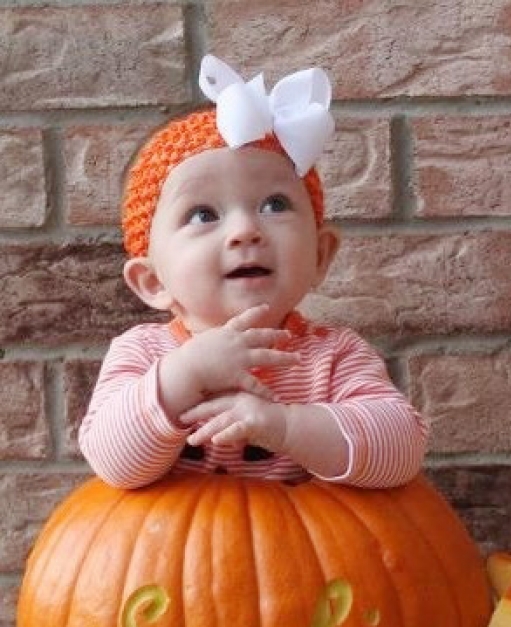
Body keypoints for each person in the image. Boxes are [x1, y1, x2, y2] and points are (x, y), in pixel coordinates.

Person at [79, 55, 428, 490]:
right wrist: (185, 375)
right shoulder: (144, 355)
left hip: (305, 553)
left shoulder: (334, 358)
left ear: (320, 256)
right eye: (203, 214)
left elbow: (402, 451)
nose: (245, 231)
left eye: (274, 205)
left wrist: (284, 426)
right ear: (153, 282)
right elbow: (113, 463)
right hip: (167, 551)